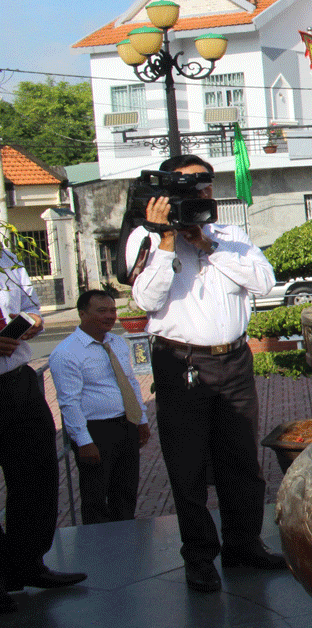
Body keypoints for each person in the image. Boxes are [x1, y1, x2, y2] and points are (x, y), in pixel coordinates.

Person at [125, 154, 283, 593]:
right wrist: (168, 243)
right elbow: (145, 301)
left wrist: (207, 245)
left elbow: (264, 282)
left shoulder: (230, 235)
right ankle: (199, 557)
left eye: (206, 184)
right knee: (188, 466)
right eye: (190, 184)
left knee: (242, 462)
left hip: (233, 360)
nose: (200, 192)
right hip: (182, 364)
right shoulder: (146, 236)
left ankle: (244, 545)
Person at [0, 247, 85, 611]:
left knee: (36, 475)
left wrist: (33, 320)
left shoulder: (4, 256)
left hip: (16, 381)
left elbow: (30, 304)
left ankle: (26, 564)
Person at [49, 290, 151, 524]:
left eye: (113, 310)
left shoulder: (117, 343)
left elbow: (131, 381)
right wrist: (84, 441)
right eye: (101, 311)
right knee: (96, 496)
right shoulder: (67, 353)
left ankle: (126, 540)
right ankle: (98, 551)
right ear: (83, 313)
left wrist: (141, 419)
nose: (109, 316)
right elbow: (68, 401)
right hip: (95, 431)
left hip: (125, 424)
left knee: (125, 491)